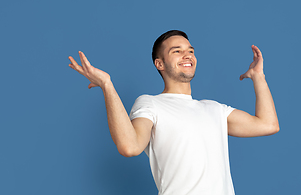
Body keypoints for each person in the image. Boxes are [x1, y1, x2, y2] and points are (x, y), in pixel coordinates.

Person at [68, 30, 279, 195]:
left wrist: (258, 76)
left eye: (190, 50)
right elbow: (129, 146)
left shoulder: (214, 109)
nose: (187, 55)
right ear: (159, 64)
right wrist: (107, 85)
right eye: (176, 51)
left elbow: (268, 124)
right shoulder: (150, 104)